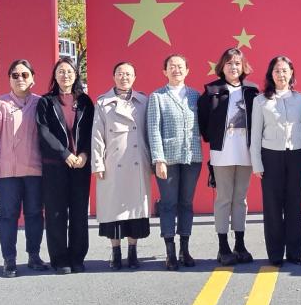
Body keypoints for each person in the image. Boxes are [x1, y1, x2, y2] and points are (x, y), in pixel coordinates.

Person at [0, 58, 46, 278]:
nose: (20, 79)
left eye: (25, 75)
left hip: (35, 170)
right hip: (7, 172)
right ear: (9, 79)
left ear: (33, 78)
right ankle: (9, 259)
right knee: (8, 215)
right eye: (15, 75)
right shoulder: (0, 104)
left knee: (35, 214)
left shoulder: (40, 103)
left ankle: (34, 255)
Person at [251, 56, 301, 266]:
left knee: (294, 204)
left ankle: (295, 253)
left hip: (296, 155)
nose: (281, 75)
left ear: (291, 73)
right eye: (277, 71)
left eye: (285, 70)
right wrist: (257, 163)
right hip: (270, 156)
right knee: (272, 206)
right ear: (271, 74)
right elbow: (255, 134)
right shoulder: (260, 101)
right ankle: (276, 255)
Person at [198, 48, 260, 266]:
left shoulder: (252, 91)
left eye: (237, 63)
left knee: (240, 198)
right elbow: (203, 121)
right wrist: (214, 137)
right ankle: (223, 246)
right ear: (222, 67)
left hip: (246, 151)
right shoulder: (211, 91)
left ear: (243, 66)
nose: (233, 67)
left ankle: (240, 244)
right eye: (229, 63)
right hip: (222, 151)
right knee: (224, 198)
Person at [91, 61, 153, 269]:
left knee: (135, 210)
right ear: (113, 76)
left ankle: (133, 251)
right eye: (120, 73)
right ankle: (115, 251)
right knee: (114, 210)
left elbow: (150, 132)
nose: (124, 77)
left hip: (138, 161)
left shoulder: (144, 101)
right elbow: (97, 135)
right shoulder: (102, 103)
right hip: (112, 163)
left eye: (128, 74)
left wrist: (153, 160)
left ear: (134, 77)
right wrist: (97, 164)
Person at [36, 57, 94, 274]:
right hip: (55, 166)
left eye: (69, 71)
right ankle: (60, 259)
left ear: (76, 74)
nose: (65, 75)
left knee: (79, 213)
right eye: (61, 71)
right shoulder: (46, 102)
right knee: (56, 213)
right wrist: (64, 154)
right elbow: (44, 132)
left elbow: (91, 130)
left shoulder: (85, 101)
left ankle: (77, 257)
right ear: (55, 75)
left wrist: (85, 153)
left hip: (81, 165)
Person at [147, 54, 203, 271]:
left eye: (180, 66)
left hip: (192, 157)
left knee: (186, 203)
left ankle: (184, 249)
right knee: (169, 204)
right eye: (171, 66)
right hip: (167, 159)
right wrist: (158, 159)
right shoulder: (157, 97)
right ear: (165, 71)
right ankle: (170, 252)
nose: (176, 70)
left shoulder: (195, 96)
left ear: (187, 70)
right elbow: (153, 129)